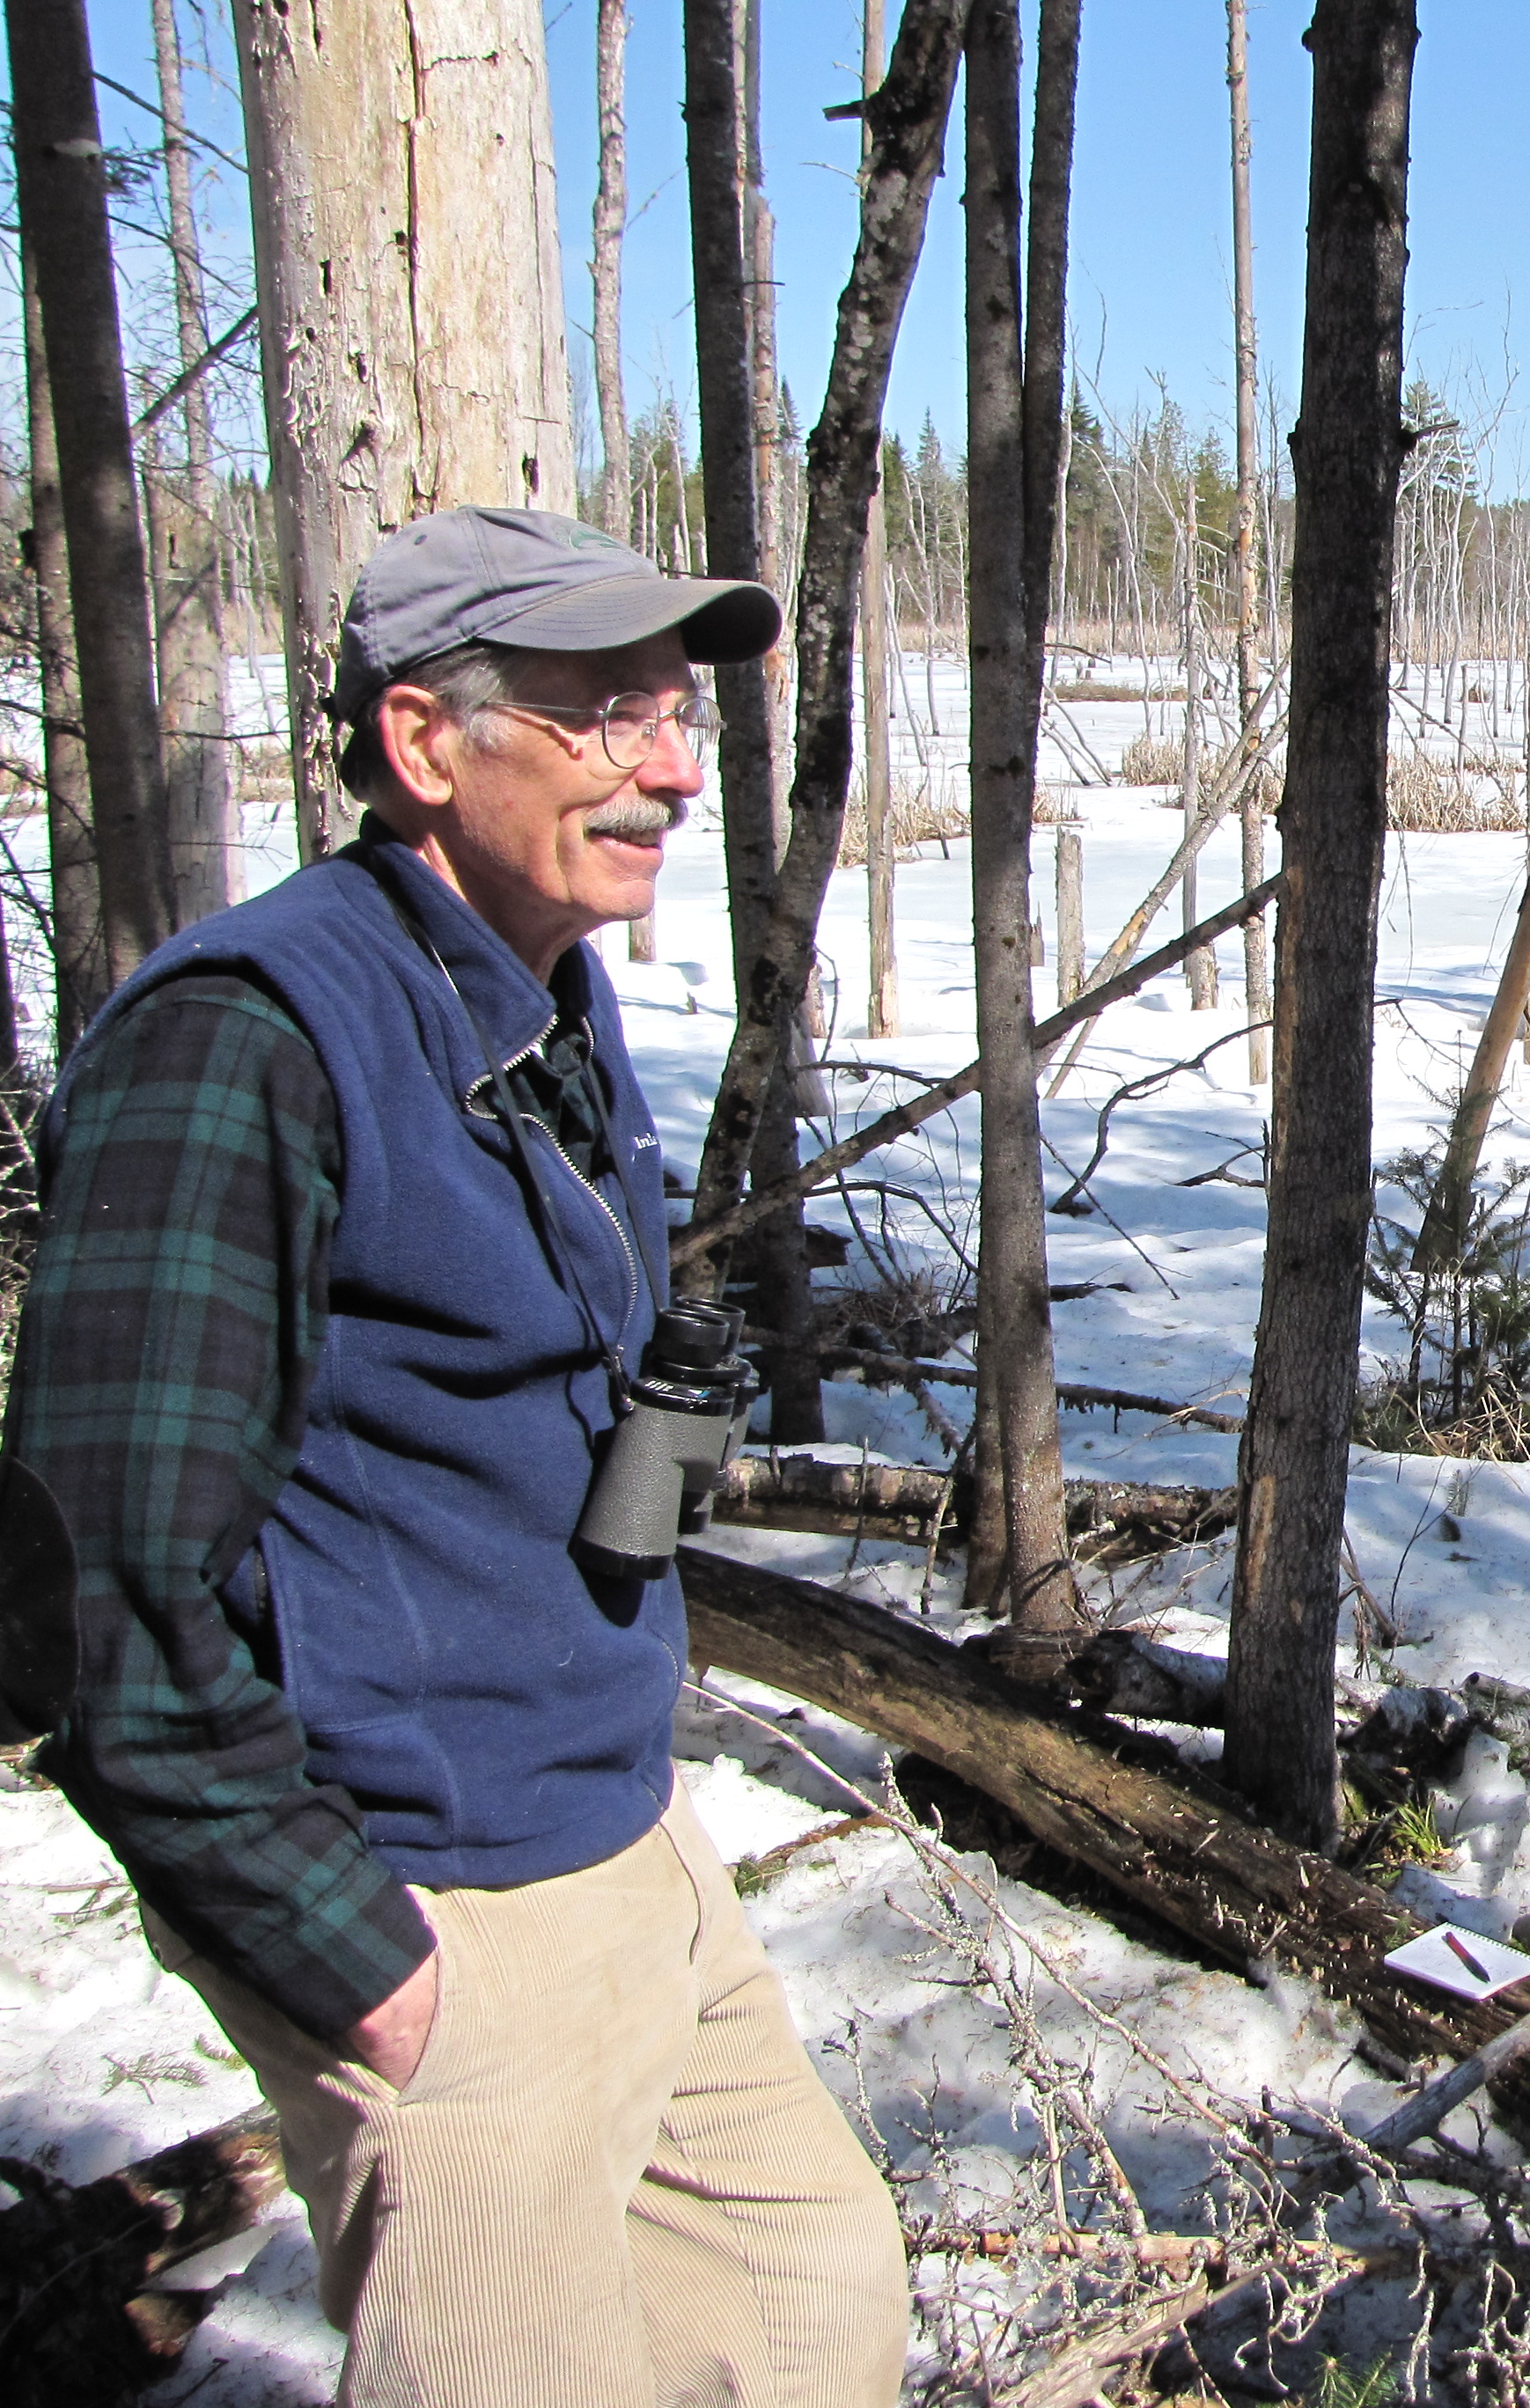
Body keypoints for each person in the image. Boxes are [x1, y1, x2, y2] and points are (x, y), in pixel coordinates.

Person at [10, 507, 909, 2404]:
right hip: (431, 1895)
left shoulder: (542, 991)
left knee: (804, 2304)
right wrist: (373, 1976)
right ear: (425, 745)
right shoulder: (241, 1046)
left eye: (676, 712)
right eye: (604, 715)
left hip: (613, 1832)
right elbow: (92, 1596)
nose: (672, 765)